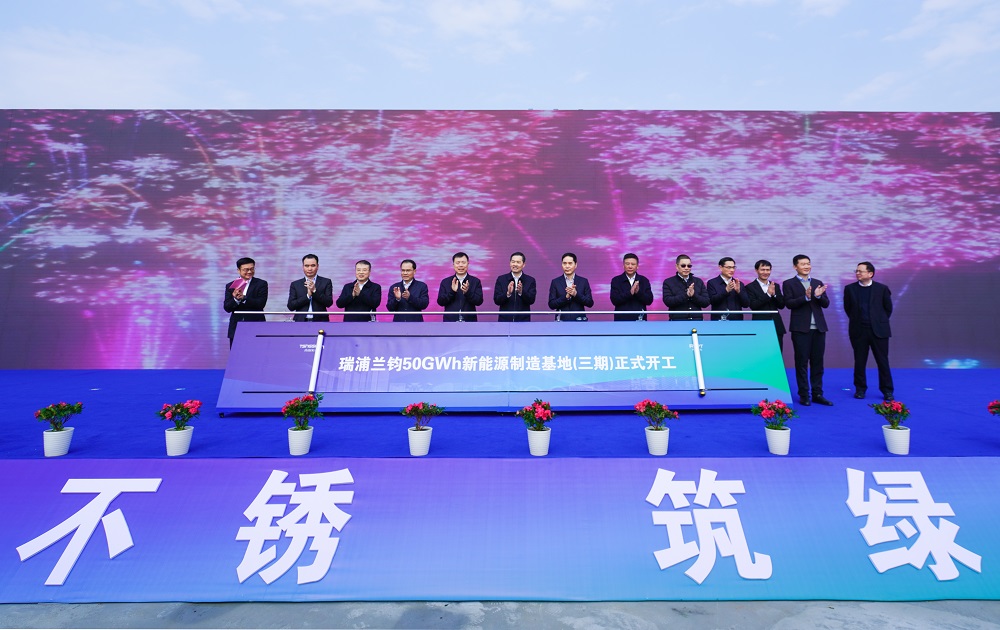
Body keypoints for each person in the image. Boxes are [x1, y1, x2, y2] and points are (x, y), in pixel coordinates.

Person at [782, 255, 832, 406]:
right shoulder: (788, 283)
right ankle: (804, 394)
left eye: (808, 263)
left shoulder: (817, 282)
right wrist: (806, 297)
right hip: (800, 329)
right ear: (795, 267)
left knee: (818, 363)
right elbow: (789, 303)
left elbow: (826, 304)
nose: (806, 266)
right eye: (803, 264)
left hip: (819, 329)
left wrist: (818, 296)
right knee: (801, 363)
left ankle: (818, 394)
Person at [843, 261, 894, 401]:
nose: (857, 273)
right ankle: (860, 389)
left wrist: (878, 321)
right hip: (859, 331)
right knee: (859, 361)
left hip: (879, 331)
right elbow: (848, 309)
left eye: (861, 271)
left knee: (882, 361)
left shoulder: (882, 289)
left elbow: (888, 309)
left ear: (870, 274)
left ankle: (887, 391)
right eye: (857, 271)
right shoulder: (850, 289)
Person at [224, 257, 268, 348]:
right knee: (237, 355)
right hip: (236, 327)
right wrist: (236, 299)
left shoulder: (261, 284)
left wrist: (244, 298)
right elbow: (227, 307)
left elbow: (261, 303)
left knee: (258, 353)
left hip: (256, 326)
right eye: (246, 269)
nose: (249, 272)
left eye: (252, 269)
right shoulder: (231, 286)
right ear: (238, 270)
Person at [745, 259, 786, 352]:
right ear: (756, 270)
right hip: (760, 325)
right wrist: (767, 294)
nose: (765, 272)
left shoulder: (775, 286)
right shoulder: (750, 287)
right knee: (761, 352)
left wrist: (774, 295)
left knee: (777, 353)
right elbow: (753, 305)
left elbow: (781, 305)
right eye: (762, 270)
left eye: (768, 270)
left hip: (776, 325)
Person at [437, 252, 483, 322]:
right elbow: (440, 302)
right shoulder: (445, 282)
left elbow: (479, 301)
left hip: (470, 321)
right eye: (457, 263)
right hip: (450, 321)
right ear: (453, 265)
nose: (460, 265)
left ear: (468, 264)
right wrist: (452, 292)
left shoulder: (475, 281)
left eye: (463, 262)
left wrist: (468, 292)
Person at [286, 254, 333, 322]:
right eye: (307, 266)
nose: (310, 269)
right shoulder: (295, 284)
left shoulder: (326, 282)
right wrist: (307, 296)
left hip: (320, 321)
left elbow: (329, 303)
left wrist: (315, 291)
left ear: (317, 266)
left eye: (313, 265)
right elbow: (291, 306)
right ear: (303, 267)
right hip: (300, 322)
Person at [661, 254, 710, 321]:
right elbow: (668, 301)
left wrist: (693, 295)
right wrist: (686, 295)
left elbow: (706, 302)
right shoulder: (668, 282)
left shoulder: (698, 281)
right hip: (677, 321)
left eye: (689, 266)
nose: (686, 268)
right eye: (683, 266)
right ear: (677, 266)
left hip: (697, 321)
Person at [548, 252, 593, 321]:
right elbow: (551, 305)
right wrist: (566, 297)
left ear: (575, 265)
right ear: (562, 265)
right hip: (561, 322)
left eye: (570, 263)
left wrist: (576, 294)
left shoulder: (583, 281)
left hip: (580, 321)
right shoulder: (555, 282)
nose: (567, 266)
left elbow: (590, 303)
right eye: (564, 263)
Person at [610, 253, 655, 321]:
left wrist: (638, 292)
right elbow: (614, 300)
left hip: (640, 320)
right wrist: (630, 293)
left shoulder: (644, 280)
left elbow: (649, 300)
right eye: (627, 264)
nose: (630, 266)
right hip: (621, 320)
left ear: (637, 266)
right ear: (623, 265)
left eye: (633, 264)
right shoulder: (616, 280)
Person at [494, 251, 537, 322]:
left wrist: (521, 292)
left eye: (518, 262)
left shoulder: (530, 280)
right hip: (505, 320)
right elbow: (497, 300)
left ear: (523, 265)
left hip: (523, 321)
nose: (515, 264)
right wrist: (508, 293)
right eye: (513, 262)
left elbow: (531, 300)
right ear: (510, 263)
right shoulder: (501, 279)